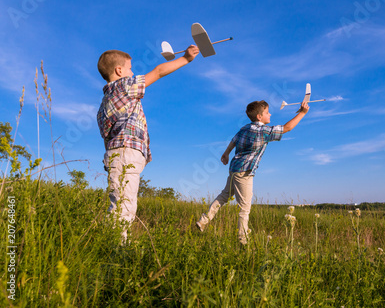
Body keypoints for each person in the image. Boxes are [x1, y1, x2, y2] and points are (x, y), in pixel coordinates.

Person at [97, 45, 199, 242]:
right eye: (129, 68)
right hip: (126, 154)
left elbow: (106, 137)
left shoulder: (103, 104)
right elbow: (158, 72)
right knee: (124, 207)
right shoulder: (125, 85)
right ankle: (115, 250)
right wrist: (186, 59)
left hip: (114, 155)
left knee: (119, 203)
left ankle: (113, 244)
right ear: (119, 71)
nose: (132, 72)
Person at [196, 99, 309, 244]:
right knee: (245, 207)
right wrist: (302, 113)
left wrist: (226, 153)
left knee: (224, 196)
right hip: (245, 172)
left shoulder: (244, 128)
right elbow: (287, 128)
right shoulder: (264, 131)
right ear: (259, 117)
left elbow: (234, 140)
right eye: (267, 112)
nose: (270, 114)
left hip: (234, 169)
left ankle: (203, 221)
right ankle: (243, 240)